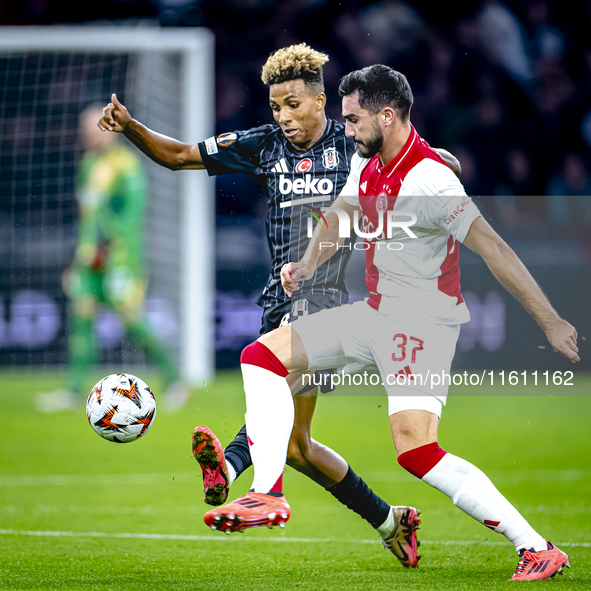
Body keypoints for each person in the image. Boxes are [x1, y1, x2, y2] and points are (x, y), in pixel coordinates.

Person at [210, 65, 579, 582]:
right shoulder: (368, 163)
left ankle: (536, 547)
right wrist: (308, 265)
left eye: (354, 119)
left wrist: (551, 320)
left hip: (423, 324)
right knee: (261, 355)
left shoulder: (430, 178)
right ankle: (268, 493)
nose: (348, 130)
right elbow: (339, 217)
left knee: (417, 453)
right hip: (377, 313)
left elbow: (493, 248)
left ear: (387, 115)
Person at [97, 44, 459, 567]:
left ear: (319, 101)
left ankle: (237, 463)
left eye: (293, 104)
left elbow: (408, 154)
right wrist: (131, 127)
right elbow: (177, 156)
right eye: (275, 107)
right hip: (279, 299)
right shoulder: (264, 145)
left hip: (329, 300)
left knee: (273, 385)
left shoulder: (352, 144)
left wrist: (440, 162)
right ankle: (390, 520)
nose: (284, 117)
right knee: (296, 446)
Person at [36, 105, 187, 413]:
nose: (91, 135)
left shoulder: (126, 165)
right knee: (83, 317)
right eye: (86, 130)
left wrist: (105, 246)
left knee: (130, 319)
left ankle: (175, 380)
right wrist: (80, 253)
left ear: (110, 128)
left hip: (120, 256)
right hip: (88, 257)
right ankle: (74, 390)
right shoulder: (89, 164)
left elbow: (132, 215)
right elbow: (88, 215)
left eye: (96, 128)